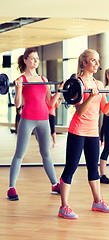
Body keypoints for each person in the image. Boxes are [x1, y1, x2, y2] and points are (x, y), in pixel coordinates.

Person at [58, 49, 109, 219]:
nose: (97, 64)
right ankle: (64, 207)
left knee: (93, 168)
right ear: (84, 63)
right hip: (77, 131)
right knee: (71, 168)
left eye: (98, 60)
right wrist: (89, 97)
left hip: (93, 132)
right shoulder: (77, 83)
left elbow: (105, 110)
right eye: (93, 60)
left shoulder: (99, 85)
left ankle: (97, 201)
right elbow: (79, 111)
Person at [7, 49, 64, 201]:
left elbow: (51, 102)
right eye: (32, 58)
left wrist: (60, 90)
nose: (35, 61)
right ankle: (11, 188)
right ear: (25, 60)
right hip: (28, 119)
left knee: (46, 153)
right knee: (19, 154)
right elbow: (18, 105)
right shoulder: (22, 79)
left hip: (44, 120)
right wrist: (18, 88)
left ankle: (54, 185)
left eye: (37, 58)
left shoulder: (44, 79)